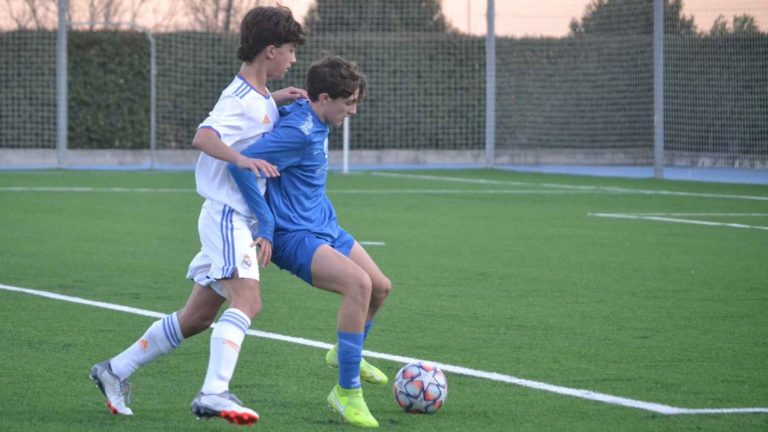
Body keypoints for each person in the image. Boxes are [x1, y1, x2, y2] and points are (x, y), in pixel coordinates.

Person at [89, 6, 306, 426]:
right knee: (248, 300)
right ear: (271, 50)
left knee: (198, 318)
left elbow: (251, 119)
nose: (294, 59)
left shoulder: (257, 96)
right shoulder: (239, 97)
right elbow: (203, 136)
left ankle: (114, 370)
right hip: (228, 216)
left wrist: (278, 99)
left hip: (230, 217)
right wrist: (241, 160)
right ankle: (213, 392)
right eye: (291, 51)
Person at [228, 54, 392, 428]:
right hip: (293, 235)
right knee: (358, 285)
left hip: (325, 225)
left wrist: (277, 98)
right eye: (347, 102)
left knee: (381, 288)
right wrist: (265, 223)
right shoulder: (299, 132)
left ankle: (345, 353)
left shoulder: (314, 113)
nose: (352, 110)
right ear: (322, 98)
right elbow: (239, 164)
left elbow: (286, 111)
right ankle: (346, 393)